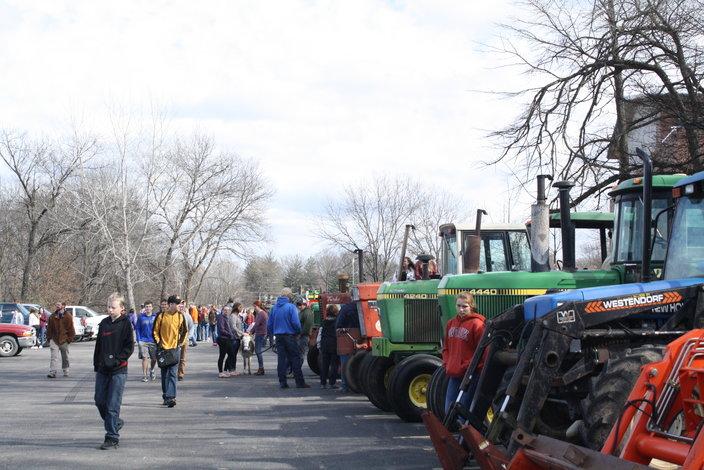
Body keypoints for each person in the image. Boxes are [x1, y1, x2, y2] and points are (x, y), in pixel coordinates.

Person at [93, 293, 134, 450]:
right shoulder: (104, 323)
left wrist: (117, 360)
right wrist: (97, 364)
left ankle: (112, 437)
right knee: (99, 400)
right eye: (108, 307)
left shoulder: (125, 324)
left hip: (118, 370)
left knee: (112, 404)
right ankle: (115, 422)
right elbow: (99, 346)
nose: (110, 310)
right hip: (103, 369)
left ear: (122, 308)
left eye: (113, 307)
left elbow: (129, 347)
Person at [442, 292, 485, 414]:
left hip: (471, 375)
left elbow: (482, 352)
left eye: (464, 306)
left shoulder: (477, 324)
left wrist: (466, 366)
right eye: (458, 306)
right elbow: (446, 348)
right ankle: (453, 433)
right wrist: (447, 364)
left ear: (471, 306)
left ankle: (464, 434)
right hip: (454, 374)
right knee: (448, 410)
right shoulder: (451, 323)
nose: (461, 309)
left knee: (463, 411)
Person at [267, 287, 310, 389]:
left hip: (278, 336)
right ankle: (299, 382)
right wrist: (298, 332)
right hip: (290, 336)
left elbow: (269, 325)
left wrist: (273, 335)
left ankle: (283, 382)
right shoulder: (291, 307)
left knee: (281, 359)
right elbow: (296, 323)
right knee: (295, 358)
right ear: (289, 296)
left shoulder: (274, 308)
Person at [152, 295, 187, 407]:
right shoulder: (161, 316)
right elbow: (155, 331)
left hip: (174, 349)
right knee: (164, 374)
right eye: (176, 303)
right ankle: (166, 395)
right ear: (170, 304)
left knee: (172, 373)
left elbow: (184, 331)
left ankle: (171, 397)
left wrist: (180, 343)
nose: (178, 306)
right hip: (163, 349)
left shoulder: (181, 316)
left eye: (179, 304)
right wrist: (159, 343)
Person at [335, 301, 360, 392]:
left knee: (345, 362)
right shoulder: (364, 306)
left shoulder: (346, 308)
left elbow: (338, 324)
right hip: (363, 337)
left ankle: (345, 385)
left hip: (347, 337)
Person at [46, 302, 75, 378]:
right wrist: (49, 338)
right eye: (56, 305)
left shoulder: (68, 316)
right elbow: (49, 328)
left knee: (65, 356)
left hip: (64, 339)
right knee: (54, 357)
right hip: (54, 339)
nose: (57, 306)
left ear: (63, 306)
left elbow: (71, 329)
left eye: (59, 304)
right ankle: (53, 372)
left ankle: (66, 370)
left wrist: (69, 339)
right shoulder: (52, 316)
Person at [318, 304, 340, 389]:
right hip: (334, 344)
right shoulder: (337, 322)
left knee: (325, 364)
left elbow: (320, 333)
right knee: (334, 364)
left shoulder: (324, 321)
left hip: (324, 344)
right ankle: (332, 383)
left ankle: (323, 383)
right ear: (336, 312)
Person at [135, 301, 158, 382]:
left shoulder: (155, 317)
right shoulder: (141, 317)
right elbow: (137, 328)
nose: (148, 308)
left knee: (154, 358)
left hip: (153, 341)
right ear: (144, 308)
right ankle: (144, 375)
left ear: (152, 307)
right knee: (145, 358)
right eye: (147, 306)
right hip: (143, 341)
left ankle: (152, 370)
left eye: (149, 306)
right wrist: (138, 339)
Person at [216, 306, 236, 378]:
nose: (227, 311)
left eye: (228, 310)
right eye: (225, 310)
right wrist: (230, 334)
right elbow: (222, 329)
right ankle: (220, 372)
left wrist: (232, 334)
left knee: (231, 354)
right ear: (222, 310)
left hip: (228, 339)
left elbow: (228, 328)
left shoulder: (226, 317)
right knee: (222, 355)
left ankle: (225, 370)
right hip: (223, 339)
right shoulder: (221, 317)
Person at [226, 302, 244, 375]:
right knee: (232, 354)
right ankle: (230, 369)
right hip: (233, 338)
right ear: (237, 308)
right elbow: (233, 327)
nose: (241, 309)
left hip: (237, 338)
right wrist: (241, 333)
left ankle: (233, 368)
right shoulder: (233, 316)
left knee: (234, 354)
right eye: (240, 307)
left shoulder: (238, 316)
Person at [177, 301, 193, 381]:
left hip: (184, 340)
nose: (181, 307)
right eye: (179, 306)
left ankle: (180, 374)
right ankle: (173, 372)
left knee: (182, 357)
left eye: (182, 306)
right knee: (174, 357)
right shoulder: (174, 316)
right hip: (174, 340)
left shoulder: (187, 316)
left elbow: (191, 327)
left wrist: (188, 337)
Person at [296, 298, 313, 366]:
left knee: (300, 354)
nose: (298, 306)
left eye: (300, 304)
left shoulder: (307, 312)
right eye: (297, 304)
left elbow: (307, 326)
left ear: (304, 304)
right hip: (301, 335)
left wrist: (300, 334)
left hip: (303, 336)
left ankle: (297, 370)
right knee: (299, 353)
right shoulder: (302, 312)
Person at [252, 302, 268, 375]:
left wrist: (250, 332)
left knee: (258, 351)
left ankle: (261, 368)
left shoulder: (261, 314)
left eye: (254, 306)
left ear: (258, 306)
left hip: (261, 333)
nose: (254, 308)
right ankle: (261, 368)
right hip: (260, 333)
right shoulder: (261, 313)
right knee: (258, 351)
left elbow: (257, 324)